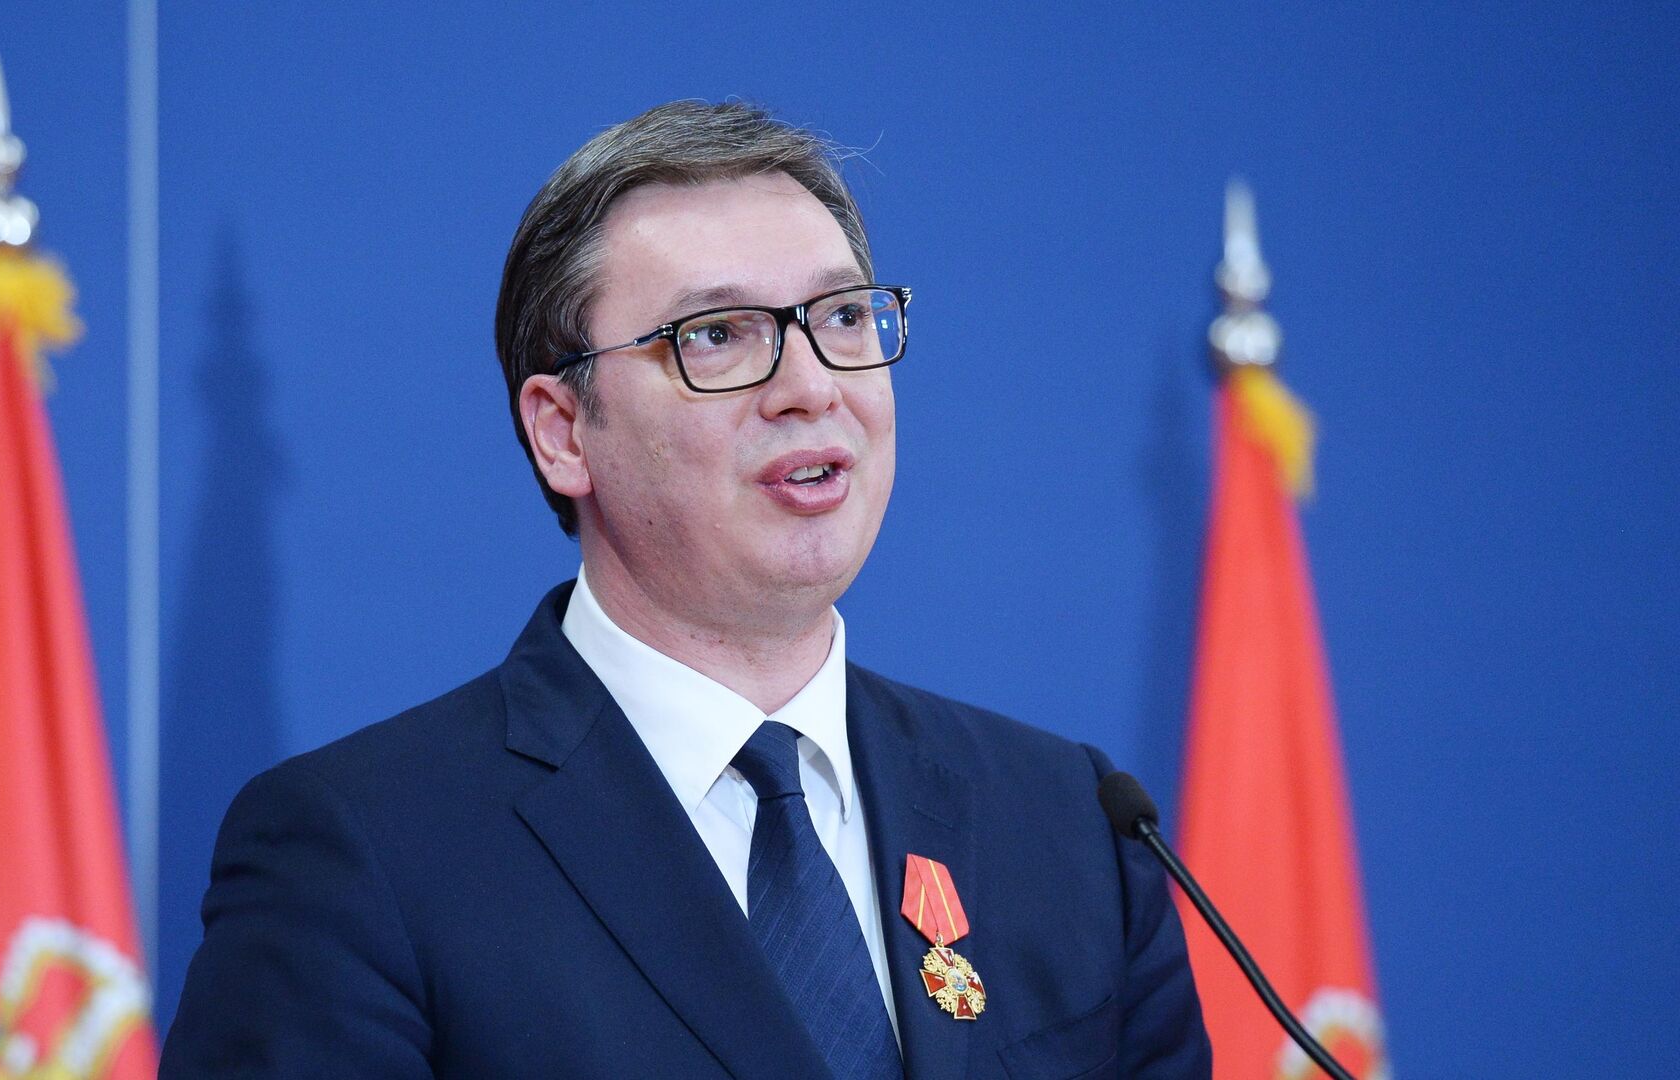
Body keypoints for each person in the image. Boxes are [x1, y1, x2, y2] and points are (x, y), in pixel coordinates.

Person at [160, 100, 1209, 1079]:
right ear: (564, 432)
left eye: (844, 317)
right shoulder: (362, 856)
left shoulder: (1072, 830)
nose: (812, 386)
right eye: (716, 337)